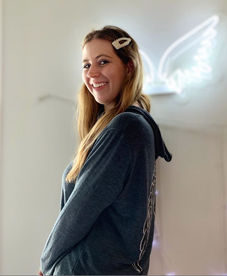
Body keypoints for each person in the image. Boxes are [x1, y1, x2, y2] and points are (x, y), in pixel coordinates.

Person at [39, 26, 172, 275]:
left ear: (129, 67)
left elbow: (79, 210)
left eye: (103, 61)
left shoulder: (124, 128)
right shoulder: (135, 126)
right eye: (86, 65)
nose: (93, 73)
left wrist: (46, 264)